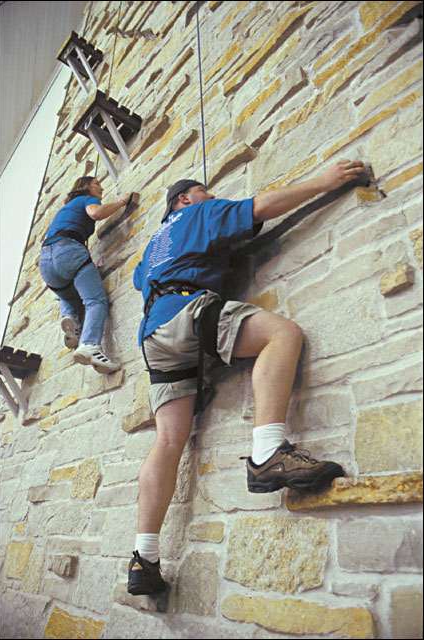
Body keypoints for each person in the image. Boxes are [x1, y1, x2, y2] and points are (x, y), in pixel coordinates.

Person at [128, 159, 365, 595]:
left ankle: (144, 557)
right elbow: (262, 206)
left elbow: (139, 280)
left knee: (167, 441)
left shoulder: (152, 247)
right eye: (206, 192)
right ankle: (268, 452)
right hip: (187, 311)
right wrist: (324, 181)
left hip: (153, 336)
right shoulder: (195, 213)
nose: (214, 198)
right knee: (282, 334)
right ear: (183, 198)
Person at [39, 176, 130, 373]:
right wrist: (122, 202)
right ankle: (90, 346)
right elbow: (96, 213)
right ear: (86, 186)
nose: (101, 187)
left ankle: (70, 317)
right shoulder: (86, 199)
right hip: (69, 251)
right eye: (97, 183)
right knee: (95, 301)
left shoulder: (65, 210)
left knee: (70, 293)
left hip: (46, 262)